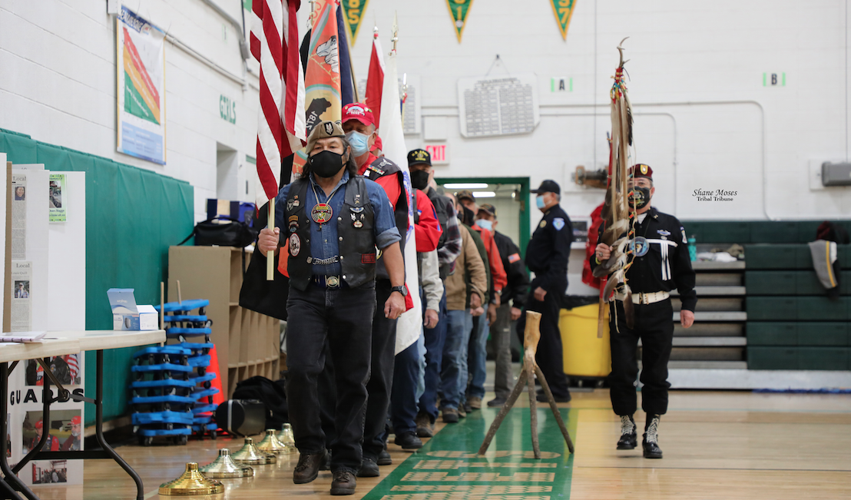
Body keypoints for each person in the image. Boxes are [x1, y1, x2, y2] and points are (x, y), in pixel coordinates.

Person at [257, 120, 405, 496]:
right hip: (305, 293)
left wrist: (398, 290)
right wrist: (263, 241)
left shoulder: (371, 193)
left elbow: (390, 244)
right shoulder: (289, 195)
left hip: (355, 293)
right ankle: (310, 449)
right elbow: (268, 242)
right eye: (317, 145)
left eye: (333, 146)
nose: (324, 151)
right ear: (308, 152)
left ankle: (345, 463)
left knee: (354, 379)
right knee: (302, 371)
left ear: (347, 153)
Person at [591, 164, 696, 460]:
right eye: (633, 182)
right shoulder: (612, 225)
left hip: (659, 307)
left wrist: (688, 304)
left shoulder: (671, 225)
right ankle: (626, 425)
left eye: (643, 182)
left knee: (656, 374)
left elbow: (685, 271)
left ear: (652, 188)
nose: (638, 186)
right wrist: (598, 255)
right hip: (622, 305)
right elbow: (598, 269)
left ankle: (652, 431)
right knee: (622, 371)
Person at [340, 103, 414, 477]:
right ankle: (341, 444)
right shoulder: (327, 173)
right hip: (336, 284)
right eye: (348, 126)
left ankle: (373, 441)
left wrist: (397, 288)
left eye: (360, 127)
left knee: (378, 369)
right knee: (340, 369)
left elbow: (393, 234)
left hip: (380, 283)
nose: (354, 133)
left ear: (373, 132)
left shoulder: (389, 175)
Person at [407, 149, 463, 438]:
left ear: (432, 170)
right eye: (414, 167)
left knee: (431, 355)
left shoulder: (442, 202)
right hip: (401, 285)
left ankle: (426, 413)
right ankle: (400, 414)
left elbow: (453, 246)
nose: (420, 172)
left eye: (423, 167)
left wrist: (424, 253)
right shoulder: (400, 198)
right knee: (404, 355)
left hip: (432, 288)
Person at [387, 185, 441, 453]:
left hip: (410, 289)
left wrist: (432, 302)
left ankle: (405, 425)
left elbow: (430, 252)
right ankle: (378, 427)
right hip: (369, 285)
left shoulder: (415, 199)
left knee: (412, 360)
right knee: (373, 363)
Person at [518, 180, 573, 404]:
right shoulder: (548, 218)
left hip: (549, 282)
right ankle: (548, 384)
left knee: (548, 334)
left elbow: (560, 257)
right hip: (541, 280)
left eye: (541, 194)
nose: (537, 198)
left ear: (553, 195)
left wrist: (545, 285)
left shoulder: (558, 219)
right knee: (529, 329)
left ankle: (558, 388)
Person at [455, 191, 507, 411]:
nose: (465, 207)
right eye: (462, 203)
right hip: (456, 300)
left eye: (469, 203)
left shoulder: (483, 234)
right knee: (458, 348)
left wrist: (492, 302)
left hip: (479, 300)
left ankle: (475, 392)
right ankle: (458, 394)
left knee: (477, 345)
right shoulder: (448, 230)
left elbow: (495, 270)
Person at [475, 204, 530, 407]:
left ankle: (504, 393)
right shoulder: (472, 238)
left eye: (487, 217)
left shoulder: (505, 244)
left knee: (502, 349)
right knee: (475, 348)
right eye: (479, 216)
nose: (483, 220)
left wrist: (518, 304)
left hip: (502, 305)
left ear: (495, 221)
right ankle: (472, 393)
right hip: (476, 303)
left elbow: (521, 277)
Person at [439, 193, 487, 424]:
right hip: (431, 303)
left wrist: (478, 293)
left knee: (455, 356)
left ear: (457, 209)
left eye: (451, 203)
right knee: (432, 357)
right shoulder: (430, 226)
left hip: (458, 303)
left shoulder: (464, 233)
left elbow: (478, 266)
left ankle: (452, 401)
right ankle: (433, 403)